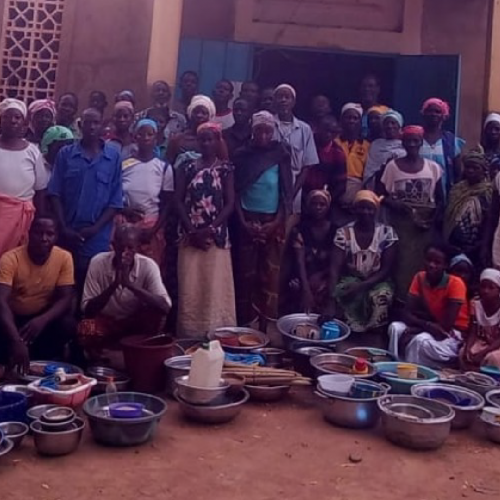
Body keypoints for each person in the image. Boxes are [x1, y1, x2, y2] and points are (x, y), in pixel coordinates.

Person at [48, 108, 123, 290]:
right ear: (81, 125)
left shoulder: (113, 157)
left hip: (97, 236)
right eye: (88, 123)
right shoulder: (66, 154)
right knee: (63, 284)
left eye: (96, 123)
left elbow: (115, 201)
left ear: (102, 125)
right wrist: (63, 227)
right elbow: (55, 193)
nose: (92, 127)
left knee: (91, 285)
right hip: (67, 232)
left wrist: (95, 229)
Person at [175, 122, 236, 337]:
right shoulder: (187, 167)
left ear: (217, 141)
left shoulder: (226, 169)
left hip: (216, 237)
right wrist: (193, 232)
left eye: (210, 139)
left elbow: (230, 203)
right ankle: (190, 334)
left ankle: (217, 333)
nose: (206, 143)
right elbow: (178, 200)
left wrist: (210, 229)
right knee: (192, 286)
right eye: (202, 140)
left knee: (214, 286)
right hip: (189, 237)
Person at [233, 111, 292, 330]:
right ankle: (245, 324)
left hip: (272, 221)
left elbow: (286, 193)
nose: (263, 136)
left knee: (269, 275)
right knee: (246, 275)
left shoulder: (280, 153)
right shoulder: (241, 155)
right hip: (247, 221)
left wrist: (275, 223)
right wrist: (243, 223)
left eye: (268, 131)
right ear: (252, 131)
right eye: (259, 131)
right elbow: (235, 192)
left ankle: (266, 326)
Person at [78, 226, 171, 356]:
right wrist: (114, 285)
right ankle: (98, 360)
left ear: (138, 248)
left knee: (155, 314)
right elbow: (88, 310)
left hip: (134, 321)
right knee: (86, 328)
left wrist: (130, 285)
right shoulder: (98, 262)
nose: (124, 253)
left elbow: (164, 306)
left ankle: (141, 354)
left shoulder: (148, 265)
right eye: (120, 248)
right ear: (113, 246)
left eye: (130, 248)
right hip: (106, 321)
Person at [0, 217, 75, 372]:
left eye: (49, 234)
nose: (44, 238)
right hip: (12, 318)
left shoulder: (64, 258)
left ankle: (40, 362)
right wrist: (16, 340)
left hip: (40, 318)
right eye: (38, 233)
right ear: (29, 234)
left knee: (67, 324)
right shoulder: (10, 259)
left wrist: (42, 320)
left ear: (56, 236)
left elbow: (66, 298)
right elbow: (1, 301)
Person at [377, 125, 444, 298]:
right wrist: (396, 205)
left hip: (424, 228)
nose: (412, 144)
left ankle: (419, 301)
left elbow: (440, 200)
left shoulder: (433, 168)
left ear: (421, 142)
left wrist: (431, 221)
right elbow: (380, 195)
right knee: (400, 263)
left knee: (422, 264)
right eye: (408, 141)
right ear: (403, 143)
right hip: (400, 226)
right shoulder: (392, 167)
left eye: (416, 141)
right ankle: (400, 301)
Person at [327, 191, 398, 337]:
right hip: (351, 278)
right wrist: (331, 298)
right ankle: (351, 333)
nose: (365, 212)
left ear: (376, 211)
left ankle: (375, 334)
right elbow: (334, 268)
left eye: (370, 208)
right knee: (342, 292)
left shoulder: (387, 233)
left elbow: (386, 269)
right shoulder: (343, 233)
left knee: (381, 296)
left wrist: (362, 286)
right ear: (354, 210)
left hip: (378, 280)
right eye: (361, 207)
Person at [388, 243, 469, 368]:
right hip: (429, 324)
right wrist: (425, 325)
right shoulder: (420, 277)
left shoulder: (456, 284)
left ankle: (411, 372)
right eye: (429, 260)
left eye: (437, 262)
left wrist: (418, 328)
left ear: (446, 265)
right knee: (395, 328)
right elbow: (407, 313)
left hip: (453, 334)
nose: (431, 265)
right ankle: (394, 364)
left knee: (420, 340)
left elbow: (445, 327)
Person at [120, 119, 174, 267]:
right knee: (124, 265)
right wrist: (125, 210)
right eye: (141, 134)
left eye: (150, 134)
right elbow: (114, 195)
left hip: (151, 226)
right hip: (126, 223)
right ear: (134, 137)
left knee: (149, 268)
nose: (145, 138)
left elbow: (167, 204)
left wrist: (154, 230)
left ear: (156, 138)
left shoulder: (164, 167)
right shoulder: (124, 164)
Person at [0, 99, 48, 256]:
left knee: (13, 259)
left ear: (24, 123)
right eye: (7, 117)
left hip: (21, 219)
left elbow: (40, 190)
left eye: (17, 117)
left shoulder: (32, 151)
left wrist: (39, 221)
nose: (13, 121)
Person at [285, 189, 336, 314]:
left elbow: (337, 263)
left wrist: (321, 275)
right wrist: (306, 289)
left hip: (326, 276)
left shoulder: (336, 231)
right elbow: (299, 262)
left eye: (322, 204)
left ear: (328, 207)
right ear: (308, 206)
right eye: (314, 204)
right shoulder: (299, 230)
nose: (318, 207)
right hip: (303, 276)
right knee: (295, 287)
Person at [273, 84, 319, 215]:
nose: (283, 100)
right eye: (280, 97)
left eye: (287, 97)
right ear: (275, 101)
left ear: (293, 102)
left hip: (294, 184)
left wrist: (291, 194)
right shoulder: (267, 124)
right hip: (270, 183)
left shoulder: (305, 129)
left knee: (289, 221)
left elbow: (306, 166)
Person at [444, 149, 492, 265]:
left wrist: (481, 245)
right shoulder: (456, 189)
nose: (470, 170)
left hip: (476, 247)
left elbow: (490, 221)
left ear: (484, 170)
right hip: (452, 245)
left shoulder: (489, 193)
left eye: (475, 168)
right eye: (467, 167)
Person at [421, 98, 465, 199]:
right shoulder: (415, 138)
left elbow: (457, 173)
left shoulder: (451, 141)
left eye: (437, 112)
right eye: (429, 111)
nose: (433, 114)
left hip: (445, 196)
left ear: (444, 116)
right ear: (423, 114)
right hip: (418, 195)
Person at [167, 95, 227, 168]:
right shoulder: (178, 139)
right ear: (190, 114)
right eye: (196, 112)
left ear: (209, 116)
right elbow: (168, 165)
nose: (199, 115)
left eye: (204, 113)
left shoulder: (217, 140)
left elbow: (224, 164)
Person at [460, 269, 500, 371]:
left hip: (496, 345)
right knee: (463, 353)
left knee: (493, 358)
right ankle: (473, 376)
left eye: (491, 288)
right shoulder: (475, 303)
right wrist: (468, 348)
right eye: (483, 286)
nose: (486, 291)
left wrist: (483, 353)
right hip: (482, 342)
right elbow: (473, 331)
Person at [304, 115, 346, 207]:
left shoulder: (338, 152)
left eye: (332, 132)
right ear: (317, 128)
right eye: (326, 130)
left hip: (325, 200)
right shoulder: (304, 144)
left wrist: (326, 200)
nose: (328, 134)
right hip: (302, 194)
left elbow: (341, 184)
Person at [335, 103, 370, 205]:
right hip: (335, 184)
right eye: (348, 117)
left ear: (360, 122)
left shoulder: (367, 145)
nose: (352, 121)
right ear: (341, 120)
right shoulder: (333, 142)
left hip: (357, 187)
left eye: (355, 118)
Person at [364, 110, 406, 190]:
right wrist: (384, 168)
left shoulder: (406, 145)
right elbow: (369, 172)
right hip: (378, 187)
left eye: (393, 123)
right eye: (387, 123)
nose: (390, 126)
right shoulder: (376, 145)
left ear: (399, 126)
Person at [481, 113, 500, 179]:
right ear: (485, 131)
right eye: (490, 129)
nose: (493, 132)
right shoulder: (479, 150)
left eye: (497, 129)